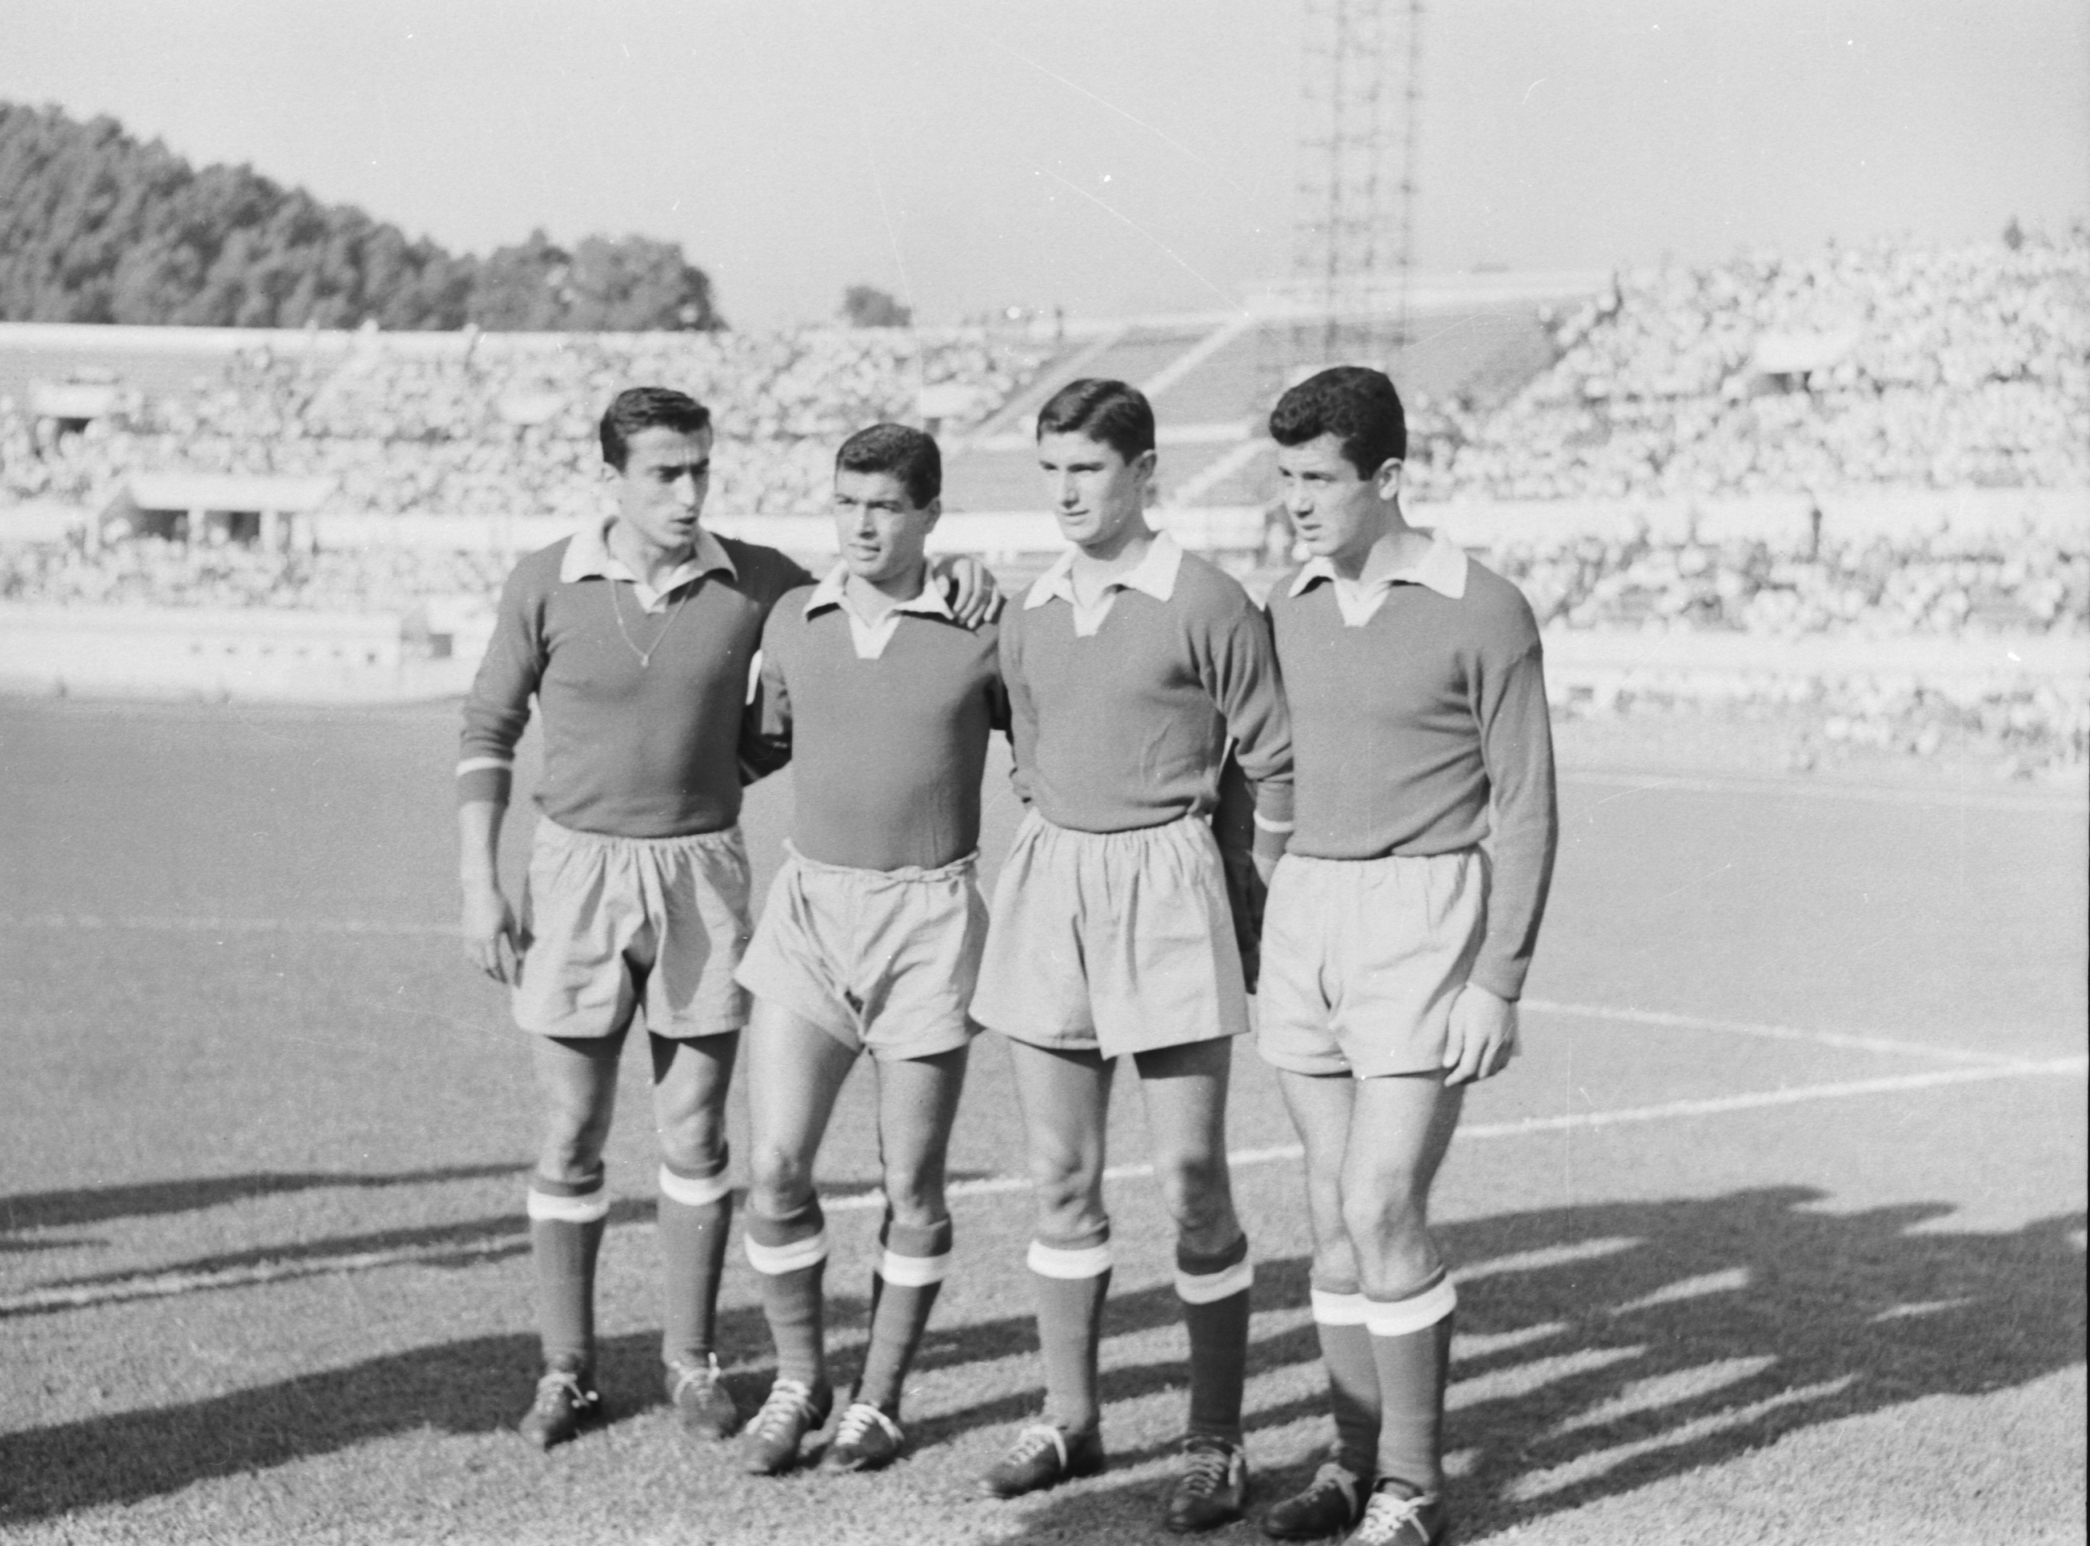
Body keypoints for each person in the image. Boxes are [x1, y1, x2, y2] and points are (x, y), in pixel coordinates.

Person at [457, 386, 995, 1453]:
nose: (689, 491)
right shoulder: (545, 580)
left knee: (699, 1131)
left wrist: (960, 567)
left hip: (700, 872)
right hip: (572, 872)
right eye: (665, 473)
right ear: (610, 478)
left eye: (701, 468)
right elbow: (487, 726)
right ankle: (566, 1369)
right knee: (569, 1132)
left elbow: (861, 605)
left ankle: (691, 1361)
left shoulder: (756, 581)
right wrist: (480, 883)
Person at [970, 379, 1293, 1533]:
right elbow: (1026, 749)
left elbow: (1271, 760)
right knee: (1059, 1175)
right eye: (1051, 469)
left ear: (1145, 471)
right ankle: (1070, 1417)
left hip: (1166, 884)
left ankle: (1215, 1438)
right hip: (1051, 880)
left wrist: (1254, 904)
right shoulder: (1029, 607)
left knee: (1191, 1181)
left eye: (1088, 469)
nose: (1066, 492)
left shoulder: (1205, 599)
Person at [1254, 367, 1558, 1546]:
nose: (1296, 501)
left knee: (1382, 1200)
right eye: (1284, 478)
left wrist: (1498, 979)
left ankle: (1413, 1483)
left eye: (1318, 479)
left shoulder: (1483, 608)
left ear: (1385, 477)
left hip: (1424, 917)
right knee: (1331, 1214)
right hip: (1306, 912)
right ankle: (1349, 1462)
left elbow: (1525, 805)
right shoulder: (1286, 604)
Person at [730, 423, 1008, 1476]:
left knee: (911, 1182)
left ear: (930, 515)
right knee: (773, 1167)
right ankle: (800, 1378)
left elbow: (1051, 753)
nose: (862, 524)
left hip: (927, 921)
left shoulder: (984, 628)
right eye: (847, 502)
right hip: (809, 912)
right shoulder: (794, 621)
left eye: (886, 505)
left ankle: (879, 1398)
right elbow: (755, 746)